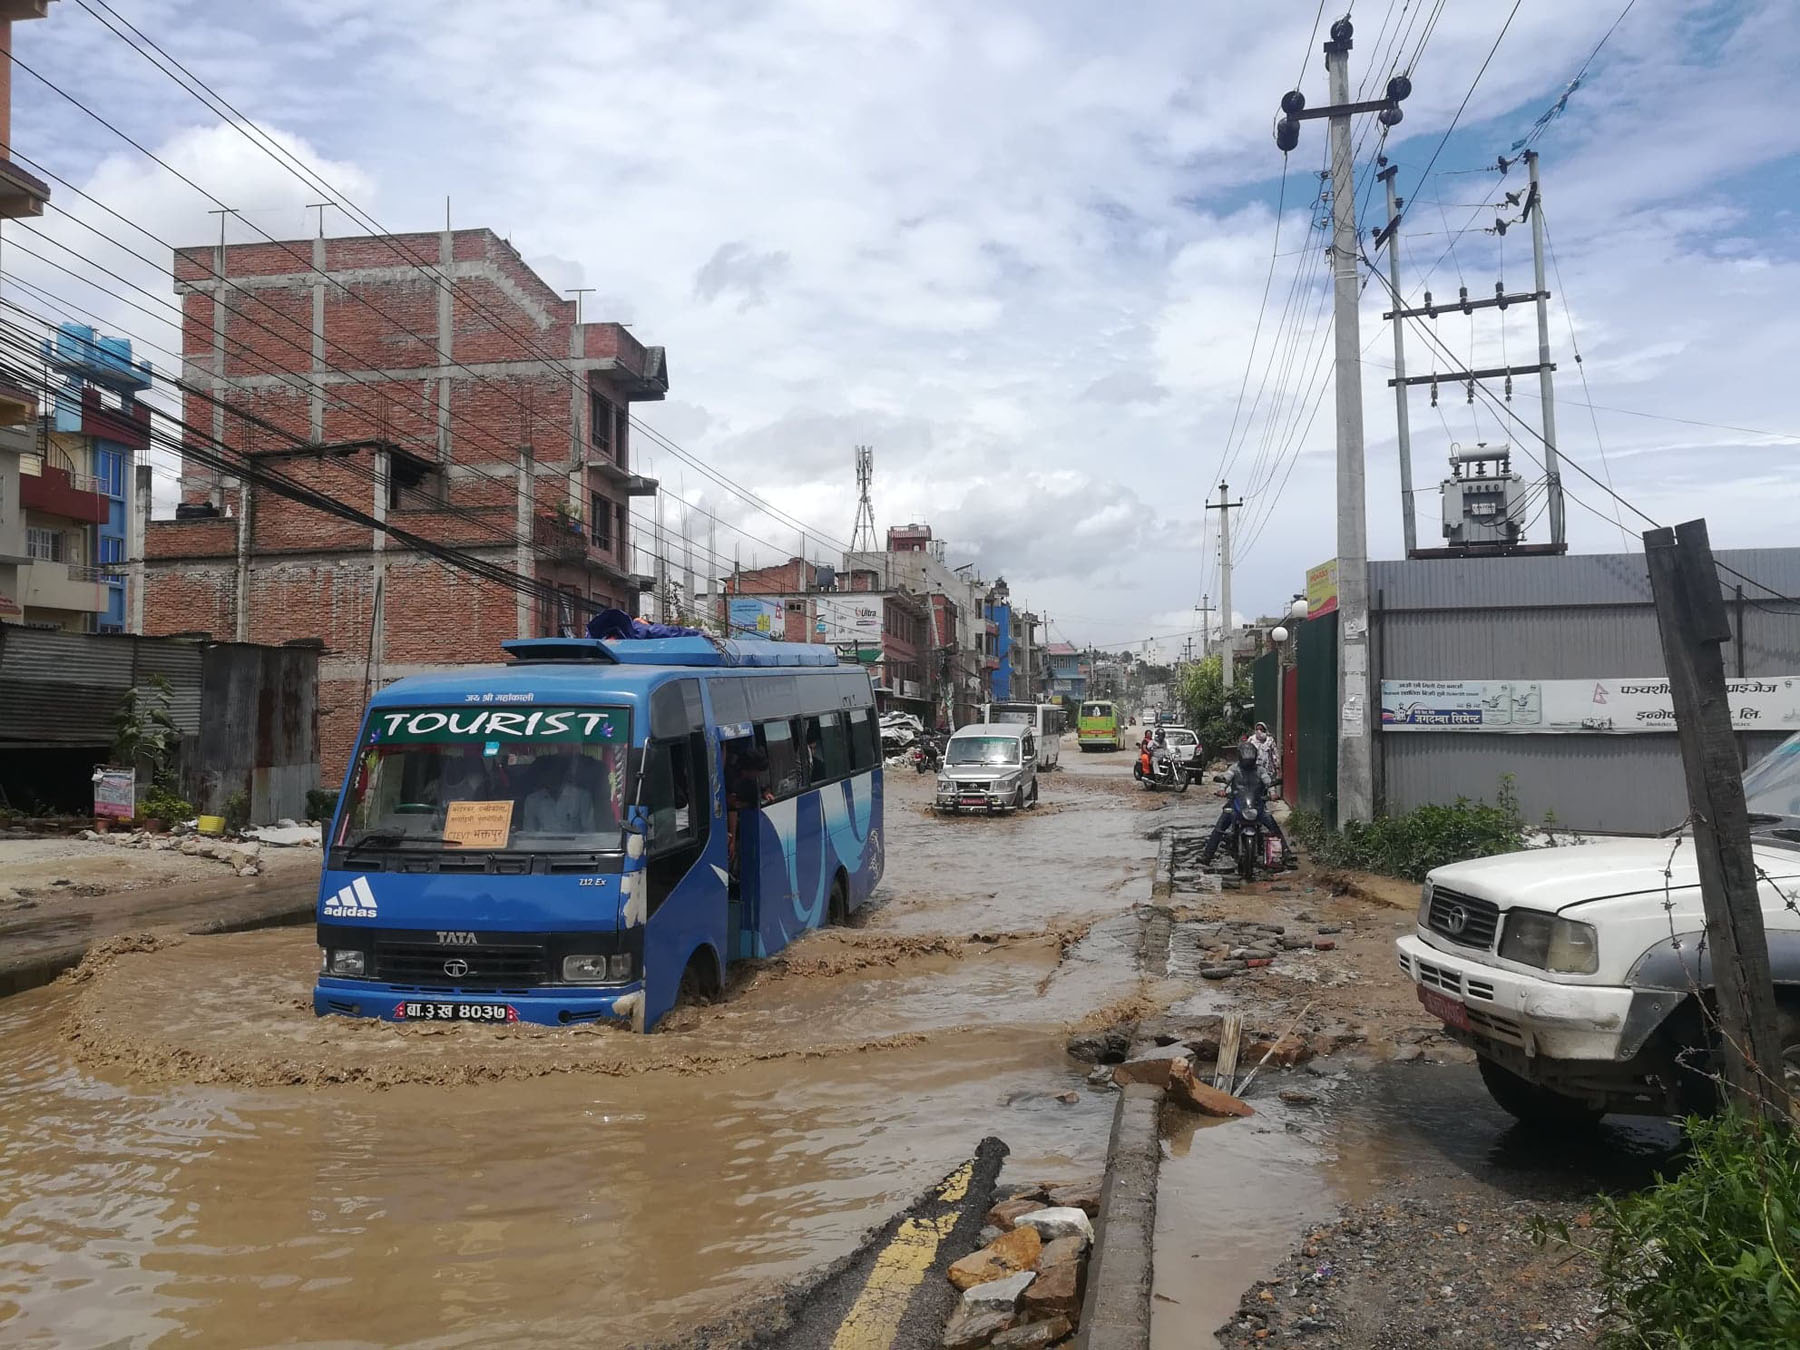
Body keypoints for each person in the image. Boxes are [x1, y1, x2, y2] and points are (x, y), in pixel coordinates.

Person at [1199, 741, 1293, 869]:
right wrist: (1222, 789)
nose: (1248, 763)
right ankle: (1207, 855)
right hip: (1237, 802)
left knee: (1273, 827)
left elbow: (1268, 781)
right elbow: (1226, 778)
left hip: (1256, 803)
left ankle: (1286, 853)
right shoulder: (1234, 769)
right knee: (1220, 827)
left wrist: (1272, 793)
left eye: (1250, 761)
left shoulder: (1260, 770)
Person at [1247, 721, 1278, 793]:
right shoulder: (1251, 739)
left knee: (1268, 787)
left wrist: (1277, 768)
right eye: (1257, 729)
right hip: (1254, 769)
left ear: (1265, 730)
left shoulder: (1270, 740)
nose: (1259, 731)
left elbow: (1275, 755)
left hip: (1268, 769)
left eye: (1261, 729)